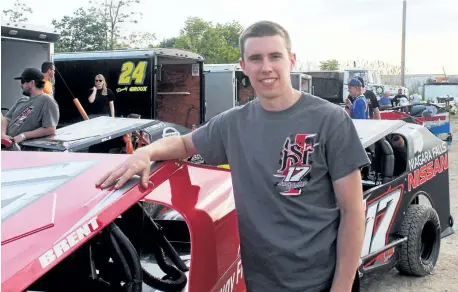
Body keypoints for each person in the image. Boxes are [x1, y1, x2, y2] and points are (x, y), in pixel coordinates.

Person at [97, 20, 369, 292]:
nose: (266, 67)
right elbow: (183, 145)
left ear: (292, 59)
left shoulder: (330, 120)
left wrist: (342, 287)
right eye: (255, 58)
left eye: (275, 56)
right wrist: (146, 151)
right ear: (243, 66)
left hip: (321, 282)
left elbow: (353, 211)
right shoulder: (233, 124)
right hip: (262, 283)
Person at [1, 68, 59, 143]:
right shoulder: (21, 100)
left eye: (23, 82)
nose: (21, 85)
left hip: (23, 149)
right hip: (5, 145)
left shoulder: (47, 100)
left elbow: (50, 129)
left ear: (32, 83)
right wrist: (2, 134)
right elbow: (6, 119)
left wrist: (24, 136)